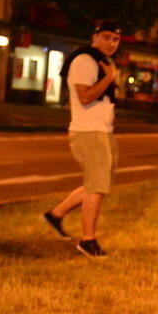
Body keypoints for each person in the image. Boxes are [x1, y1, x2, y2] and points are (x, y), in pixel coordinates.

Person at [41, 19, 122, 259]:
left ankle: (55, 215)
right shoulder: (85, 60)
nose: (111, 43)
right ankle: (88, 240)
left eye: (116, 39)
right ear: (95, 37)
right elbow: (84, 97)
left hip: (103, 130)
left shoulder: (103, 62)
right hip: (89, 131)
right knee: (97, 186)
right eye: (107, 37)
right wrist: (109, 78)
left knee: (99, 184)